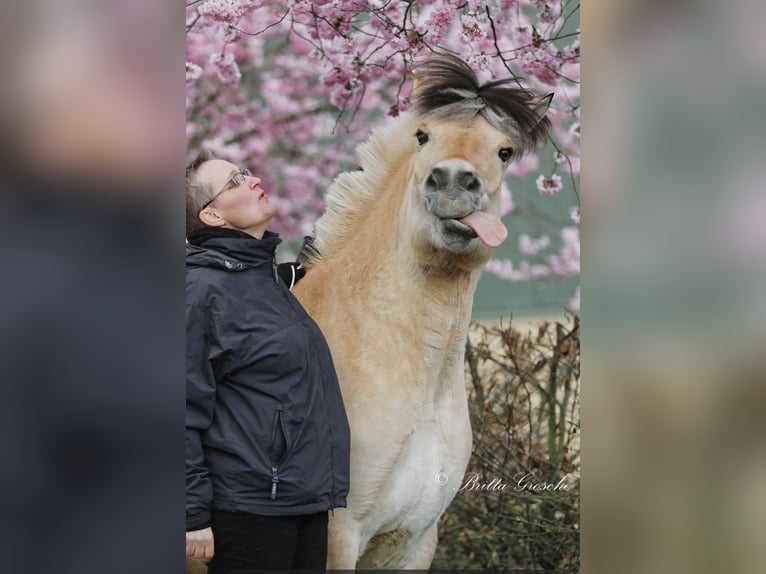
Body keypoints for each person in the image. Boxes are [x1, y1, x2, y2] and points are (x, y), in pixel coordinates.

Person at [185, 152, 351, 573]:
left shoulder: (262, 280)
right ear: (213, 216)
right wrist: (192, 516)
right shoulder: (201, 292)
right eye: (235, 181)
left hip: (303, 500)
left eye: (246, 172)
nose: (254, 179)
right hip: (249, 509)